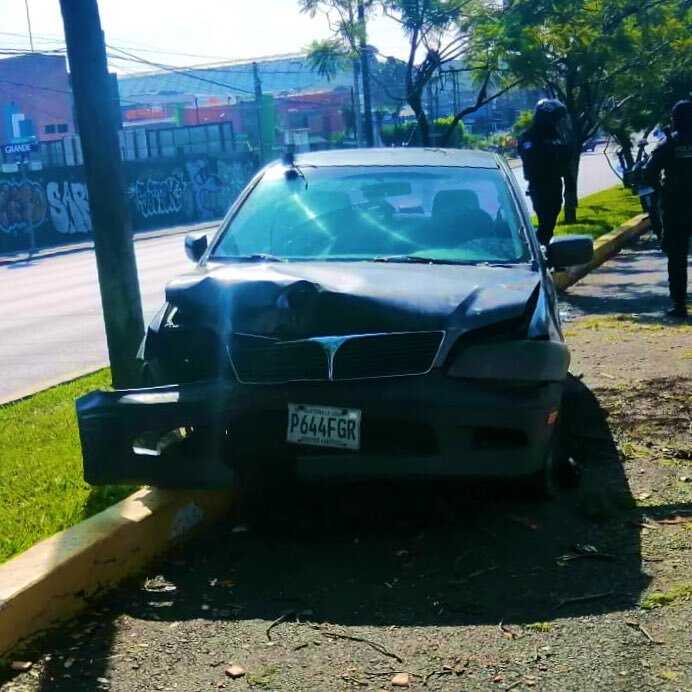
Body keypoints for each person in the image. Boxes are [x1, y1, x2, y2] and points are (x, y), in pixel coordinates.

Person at [644, 100, 692, 319]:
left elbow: (649, 173)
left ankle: (679, 304)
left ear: (674, 120)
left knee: (677, 257)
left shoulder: (669, 144)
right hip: (677, 207)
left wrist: (662, 189)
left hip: (676, 208)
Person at [518, 99, 571, 246]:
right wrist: (549, 152)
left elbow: (565, 156)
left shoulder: (554, 135)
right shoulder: (530, 136)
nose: (555, 121)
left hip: (555, 181)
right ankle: (540, 247)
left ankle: (544, 244)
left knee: (553, 212)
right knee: (545, 218)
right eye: (553, 117)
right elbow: (529, 156)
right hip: (539, 184)